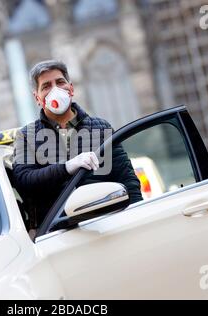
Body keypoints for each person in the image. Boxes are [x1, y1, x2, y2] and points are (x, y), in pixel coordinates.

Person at [12, 60, 143, 232]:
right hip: (58, 234)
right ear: (37, 98)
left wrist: (137, 218)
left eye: (59, 82)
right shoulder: (26, 136)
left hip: (109, 226)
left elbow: (127, 179)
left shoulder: (101, 127)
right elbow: (24, 180)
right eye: (46, 86)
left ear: (71, 89)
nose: (55, 90)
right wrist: (66, 168)